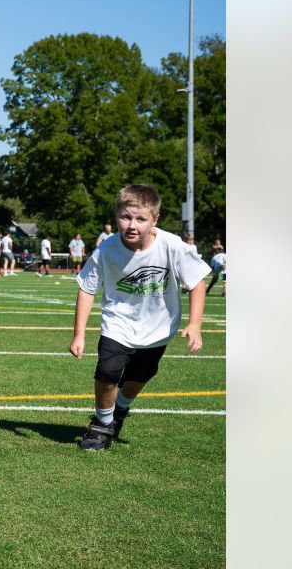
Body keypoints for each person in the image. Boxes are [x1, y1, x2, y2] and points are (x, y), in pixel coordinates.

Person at [69, 184, 210, 451]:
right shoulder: (106, 251)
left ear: (154, 220)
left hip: (158, 327)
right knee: (107, 372)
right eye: (126, 217)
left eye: (141, 219)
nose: (132, 225)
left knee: (139, 376)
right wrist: (79, 334)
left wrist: (195, 324)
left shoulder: (172, 246)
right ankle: (101, 425)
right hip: (117, 323)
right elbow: (87, 289)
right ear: (116, 216)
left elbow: (197, 282)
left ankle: (119, 411)